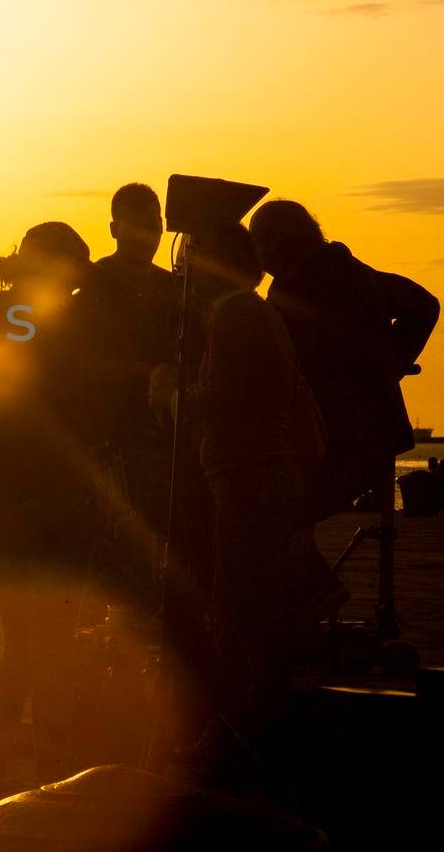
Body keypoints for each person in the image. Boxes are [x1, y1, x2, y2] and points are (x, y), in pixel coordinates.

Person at [0, 221, 106, 781]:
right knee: (38, 647)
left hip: (42, 504)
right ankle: (37, 771)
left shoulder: (13, 323)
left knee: (33, 646)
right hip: (25, 505)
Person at [159, 223, 303, 769]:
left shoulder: (236, 313)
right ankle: (245, 730)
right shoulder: (254, 311)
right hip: (255, 474)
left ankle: (235, 739)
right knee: (247, 608)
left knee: (241, 615)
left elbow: (219, 400)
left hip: (247, 477)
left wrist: (172, 396)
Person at [248, 200, 439, 519]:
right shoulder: (349, 270)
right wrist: (390, 364)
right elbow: (423, 304)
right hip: (372, 430)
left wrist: (387, 365)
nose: (253, 251)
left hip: (333, 435)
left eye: (256, 240)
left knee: (280, 518)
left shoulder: (295, 286)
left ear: (279, 240)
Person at [94, 183, 180, 612]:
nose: (149, 235)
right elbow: (82, 362)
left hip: (167, 431)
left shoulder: (175, 288)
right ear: (114, 229)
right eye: (138, 226)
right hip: (116, 432)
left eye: (155, 225)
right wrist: (148, 373)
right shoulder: (97, 283)